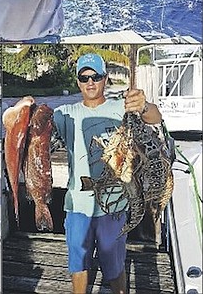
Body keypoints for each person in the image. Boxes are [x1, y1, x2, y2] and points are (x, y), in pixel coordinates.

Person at [53, 53, 163, 294]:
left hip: (115, 204)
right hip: (78, 204)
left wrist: (143, 105)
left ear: (105, 79)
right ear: (78, 81)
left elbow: (155, 119)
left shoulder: (120, 107)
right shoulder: (65, 113)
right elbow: (38, 132)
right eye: (84, 77)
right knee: (77, 263)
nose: (90, 82)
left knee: (113, 263)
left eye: (96, 76)